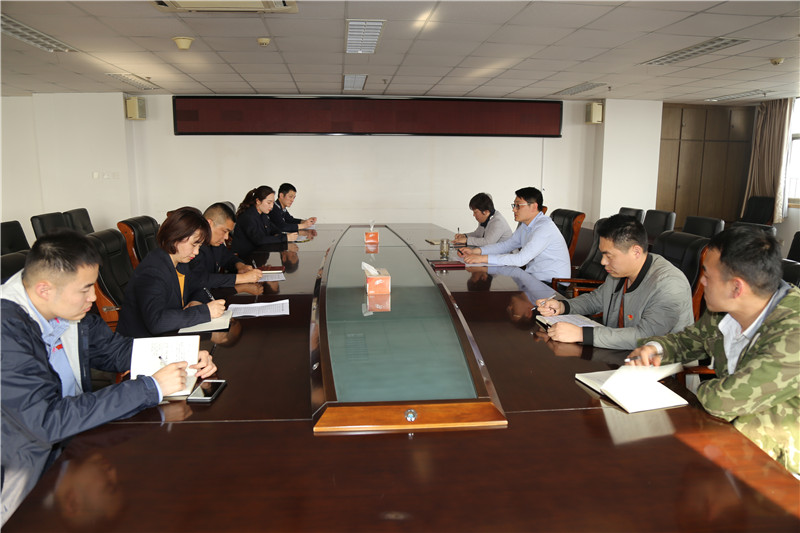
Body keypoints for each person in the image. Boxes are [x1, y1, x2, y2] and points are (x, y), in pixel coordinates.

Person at [0, 231, 217, 522]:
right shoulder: (6, 332)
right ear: (44, 289)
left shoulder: (63, 308)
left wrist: (186, 356)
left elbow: (115, 351)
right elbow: (46, 422)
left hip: (73, 442)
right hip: (26, 474)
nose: (93, 298)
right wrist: (150, 388)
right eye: (85, 289)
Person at [626, 226, 799, 476]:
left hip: (782, 466)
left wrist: (696, 392)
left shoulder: (794, 334)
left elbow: (724, 400)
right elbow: (692, 339)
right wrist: (655, 348)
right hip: (730, 441)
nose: (701, 281)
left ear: (736, 288)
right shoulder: (725, 310)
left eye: (707, 275)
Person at [535, 215, 694, 350]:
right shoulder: (619, 272)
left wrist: (582, 334)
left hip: (661, 369)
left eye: (609, 256)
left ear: (636, 252)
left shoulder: (669, 284)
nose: (603, 262)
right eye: (602, 255)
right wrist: (563, 306)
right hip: (619, 354)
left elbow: (646, 336)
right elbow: (595, 300)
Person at [117, 207, 226, 338]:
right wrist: (205, 312)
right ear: (176, 237)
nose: (196, 252)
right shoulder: (153, 271)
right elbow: (156, 322)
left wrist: (196, 301)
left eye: (199, 246)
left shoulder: (180, 262)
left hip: (170, 335)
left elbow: (198, 287)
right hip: (140, 343)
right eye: (194, 245)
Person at [458, 187, 571, 283]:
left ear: (533, 207)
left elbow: (520, 259)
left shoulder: (544, 228)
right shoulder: (525, 225)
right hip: (533, 278)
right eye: (514, 205)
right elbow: (506, 245)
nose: (514, 210)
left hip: (551, 284)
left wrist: (482, 258)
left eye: (518, 206)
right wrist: (476, 251)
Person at [187, 203, 262, 288]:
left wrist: (240, 266)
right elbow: (200, 279)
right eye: (224, 231)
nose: (226, 237)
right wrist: (243, 278)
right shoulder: (192, 246)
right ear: (209, 223)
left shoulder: (215, 243)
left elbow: (228, 257)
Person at [232, 186, 298, 261]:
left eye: (273, 203)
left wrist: (280, 235)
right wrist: (285, 238)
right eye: (269, 203)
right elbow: (259, 240)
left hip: (259, 255)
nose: (272, 206)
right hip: (245, 259)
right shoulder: (248, 217)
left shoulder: (262, 214)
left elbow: (274, 229)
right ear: (258, 201)